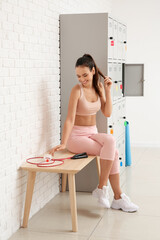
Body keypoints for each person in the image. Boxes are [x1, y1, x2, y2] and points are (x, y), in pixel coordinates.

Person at [49, 54, 139, 212]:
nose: (82, 79)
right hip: (76, 138)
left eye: (85, 75)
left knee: (111, 144)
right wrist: (64, 142)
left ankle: (107, 192)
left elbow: (107, 112)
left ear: (93, 71)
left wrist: (108, 90)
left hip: (92, 133)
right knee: (113, 151)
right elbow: (69, 119)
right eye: (78, 76)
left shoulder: (98, 87)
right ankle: (112, 194)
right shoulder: (77, 90)